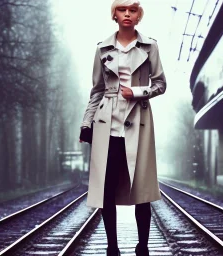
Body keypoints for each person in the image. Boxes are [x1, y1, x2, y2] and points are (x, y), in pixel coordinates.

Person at [79, 0, 166, 255]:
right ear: (114, 15)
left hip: (139, 123)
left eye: (132, 10)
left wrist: (137, 91)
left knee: (142, 189)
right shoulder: (102, 48)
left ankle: (143, 247)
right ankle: (112, 248)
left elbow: (161, 84)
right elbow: (96, 91)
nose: (127, 14)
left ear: (139, 15)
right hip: (107, 125)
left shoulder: (151, 46)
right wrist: (86, 123)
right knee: (106, 189)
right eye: (121, 9)